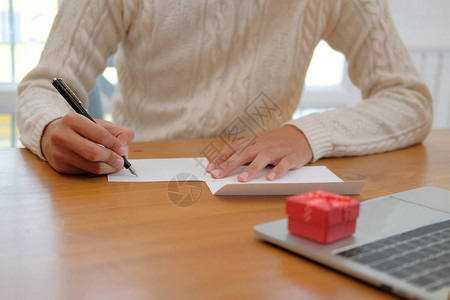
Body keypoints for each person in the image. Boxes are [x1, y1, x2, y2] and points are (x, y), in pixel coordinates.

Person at [16, 0, 432, 182]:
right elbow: (44, 85)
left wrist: (306, 135)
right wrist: (52, 126)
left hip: (257, 186)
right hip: (139, 185)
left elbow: (409, 100)